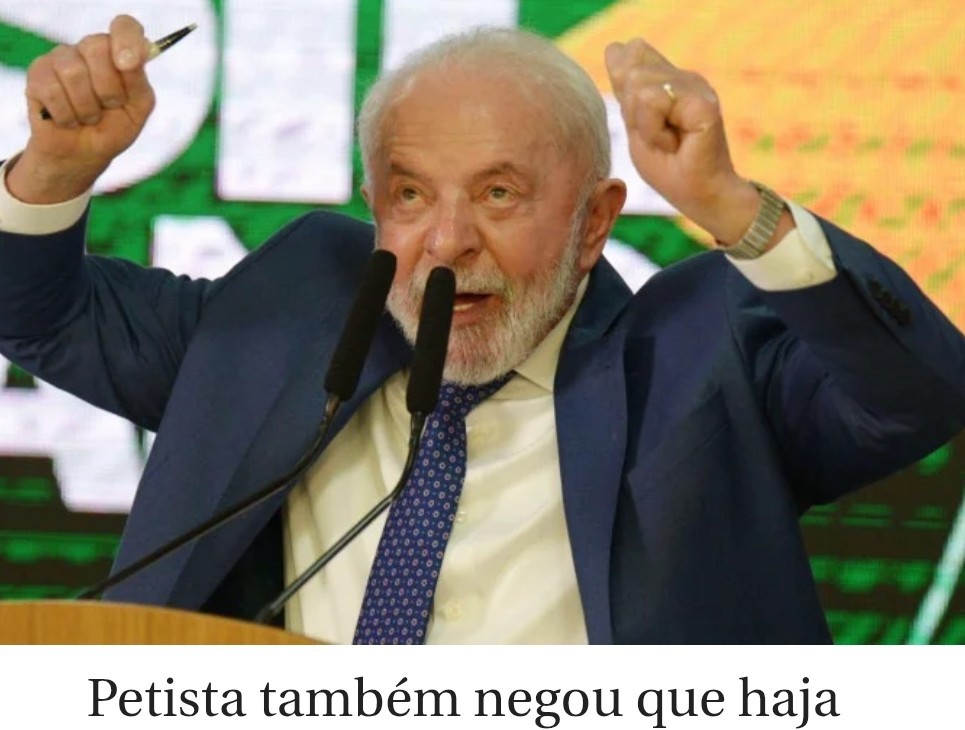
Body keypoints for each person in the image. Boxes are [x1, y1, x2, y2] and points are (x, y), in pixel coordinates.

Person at [0, 15, 962, 644]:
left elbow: (917, 393)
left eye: (499, 194)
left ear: (595, 221)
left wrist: (732, 208)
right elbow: (38, 314)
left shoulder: (698, 359)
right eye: (410, 196)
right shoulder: (288, 321)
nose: (448, 241)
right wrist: (54, 170)